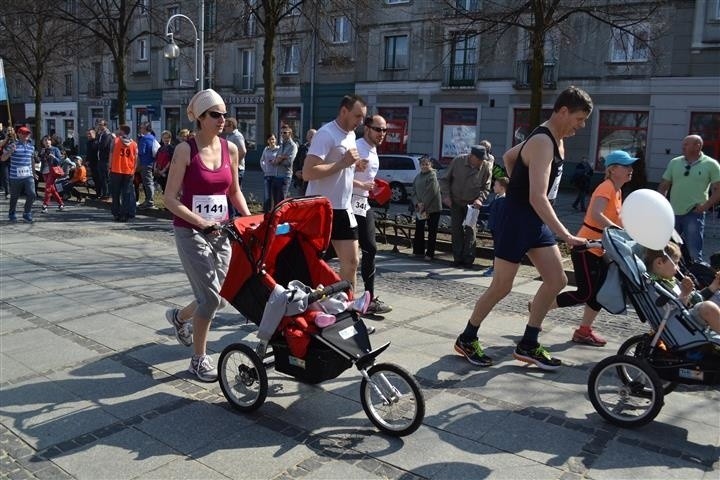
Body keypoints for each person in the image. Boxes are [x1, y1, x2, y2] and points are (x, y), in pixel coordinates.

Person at [453, 86, 593, 370]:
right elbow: (536, 195)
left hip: (535, 220)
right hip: (517, 218)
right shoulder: (543, 141)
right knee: (502, 286)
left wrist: (518, 181)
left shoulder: (553, 138)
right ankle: (467, 338)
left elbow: (509, 156)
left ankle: (528, 343)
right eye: (579, 118)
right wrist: (565, 234)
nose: (581, 126)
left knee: (557, 280)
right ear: (563, 111)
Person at [163, 88, 251, 382]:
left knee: (220, 297)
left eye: (225, 114)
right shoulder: (185, 150)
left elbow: (233, 191)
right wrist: (200, 222)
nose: (222, 119)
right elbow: (170, 199)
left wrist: (251, 220)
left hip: (222, 231)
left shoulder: (231, 149)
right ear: (200, 118)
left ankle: (179, 318)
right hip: (191, 232)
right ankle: (198, 360)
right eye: (215, 114)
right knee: (211, 300)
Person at [549, 150, 638, 347]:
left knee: (598, 294)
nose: (631, 169)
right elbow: (597, 214)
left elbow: (617, 219)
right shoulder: (606, 187)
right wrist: (615, 229)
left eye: (631, 166)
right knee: (584, 293)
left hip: (602, 248)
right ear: (613, 169)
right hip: (586, 247)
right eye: (627, 166)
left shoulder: (617, 190)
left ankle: (583, 331)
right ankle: (541, 307)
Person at [302, 94, 368, 291]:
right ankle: (305, 304)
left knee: (352, 261)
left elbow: (342, 165)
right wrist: (342, 163)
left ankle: (349, 308)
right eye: (357, 116)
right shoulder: (326, 134)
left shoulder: (351, 135)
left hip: (343, 207)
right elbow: (307, 173)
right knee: (311, 262)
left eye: (363, 117)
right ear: (344, 111)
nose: (361, 122)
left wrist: (355, 165)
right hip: (320, 208)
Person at [657, 135, 720, 264]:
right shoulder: (674, 162)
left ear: (698, 146)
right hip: (672, 212)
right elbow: (664, 185)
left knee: (694, 251)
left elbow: (718, 189)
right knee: (666, 248)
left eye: (686, 144)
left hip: (694, 213)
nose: (683, 146)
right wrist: (661, 205)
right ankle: (666, 273)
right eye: (683, 144)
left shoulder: (711, 164)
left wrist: (705, 206)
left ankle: (695, 277)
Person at [353, 115, 393, 315]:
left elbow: (365, 176)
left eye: (385, 130)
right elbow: (337, 175)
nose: (382, 134)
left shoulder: (373, 149)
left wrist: (374, 187)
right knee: (335, 252)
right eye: (378, 129)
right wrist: (361, 184)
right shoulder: (355, 146)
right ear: (367, 128)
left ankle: (368, 298)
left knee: (370, 247)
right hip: (348, 202)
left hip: (362, 202)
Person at [646, 242, 720, 334]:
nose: (678, 268)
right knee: (708, 307)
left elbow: (694, 299)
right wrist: (685, 293)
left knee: (717, 296)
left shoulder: (670, 280)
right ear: (659, 263)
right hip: (681, 323)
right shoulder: (655, 285)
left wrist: (715, 285)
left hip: (689, 315)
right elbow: (673, 312)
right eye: (675, 263)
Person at [439, 145, 493, 268]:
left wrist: (480, 199)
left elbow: (486, 187)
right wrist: (446, 196)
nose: (481, 161)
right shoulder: (458, 161)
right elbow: (444, 180)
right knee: (456, 229)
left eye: (483, 159)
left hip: (472, 204)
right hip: (456, 201)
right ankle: (457, 258)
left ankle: (468, 259)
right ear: (472, 156)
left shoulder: (485, 166)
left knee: (471, 230)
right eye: (479, 159)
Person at [1, 126, 37, 222]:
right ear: (19, 134)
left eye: (27, 133)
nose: (26, 135)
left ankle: (27, 212)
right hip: (15, 176)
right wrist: (10, 151)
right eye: (24, 133)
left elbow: (32, 160)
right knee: (14, 196)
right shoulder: (13, 145)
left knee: (32, 194)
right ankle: (12, 213)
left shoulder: (31, 147)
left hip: (28, 175)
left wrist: (33, 172)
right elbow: (3, 158)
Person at [412, 156, 442, 261]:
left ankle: (430, 253)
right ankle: (418, 251)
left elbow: (431, 192)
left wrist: (423, 204)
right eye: (422, 164)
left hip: (432, 208)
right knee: (419, 229)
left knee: (432, 231)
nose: (424, 166)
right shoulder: (418, 176)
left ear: (431, 165)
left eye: (426, 164)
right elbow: (414, 191)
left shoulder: (432, 175)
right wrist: (417, 203)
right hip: (421, 208)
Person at [108, 125, 138, 222]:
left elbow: (111, 155)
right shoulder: (134, 143)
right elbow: (136, 159)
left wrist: (109, 167)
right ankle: (125, 214)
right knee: (126, 194)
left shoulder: (115, 141)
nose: (117, 131)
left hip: (116, 169)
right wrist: (133, 170)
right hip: (128, 171)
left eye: (118, 129)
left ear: (121, 131)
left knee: (115, 193)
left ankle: (116, 213)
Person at [481, 176, 509, 277]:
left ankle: (496, 269)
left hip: (499, 228)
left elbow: (499, 214)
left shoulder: (502, 200)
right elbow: (489, 208)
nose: (493, 187)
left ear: (502, 188)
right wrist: (479, 207)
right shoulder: (497, 198)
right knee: (496, 247)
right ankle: (495, 267)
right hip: (495, 227)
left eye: (496, 185)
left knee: (498, 248)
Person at [38, 136, 65, 213]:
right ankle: (61, 203)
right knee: (52, 189)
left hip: (52, 171)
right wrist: (40, 155)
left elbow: (60, 161)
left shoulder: (55, 149)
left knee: (48, 188)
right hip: (44, 171)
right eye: (45, 140)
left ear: (51, 141)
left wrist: (53, 157)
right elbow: (39, 160)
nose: (47, 142)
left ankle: (45, 205)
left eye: (48, 140)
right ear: (43, 142)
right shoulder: (43, 150)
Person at [272, 125, 297, 205]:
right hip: (276, 176)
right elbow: (275, 160)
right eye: (281, 133)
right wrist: (282, 158)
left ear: (290, 133)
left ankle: (282, 217)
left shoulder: (293, 146)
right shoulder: (281, 145)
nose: (282, 134)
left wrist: (280, 159)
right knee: (276, 201)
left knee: (281, 201)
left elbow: (289, 162)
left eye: (285, 133)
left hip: (285, 177)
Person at [221, 117, 247, 187]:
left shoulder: (237, 136)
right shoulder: (228, 136)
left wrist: (235, 163)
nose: (224, 128)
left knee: (235, 190)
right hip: (230, 167)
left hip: (237, 169)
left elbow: (243, 151)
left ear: (231, 126)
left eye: (226, 126)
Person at [137, 122, 157, 209]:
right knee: (148, 182)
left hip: (145, 163)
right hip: (151, 163)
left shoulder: (144, 139)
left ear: (145, 129)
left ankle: (150, 202)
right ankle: (148, 200)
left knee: (147, 182)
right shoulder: (152, 137)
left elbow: (141, 152)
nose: (140, 129)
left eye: (141, 128)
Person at [260, 133, 280, 213]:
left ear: (276, 140)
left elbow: (280, 160)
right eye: (270, 139)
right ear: (267, 141)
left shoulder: (279, 149)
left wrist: (275, 162)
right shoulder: (266, 149)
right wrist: (265, 169)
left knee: (276, 195)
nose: (272, 141)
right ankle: (266, 211)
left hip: (276, 175)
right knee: (267, 195)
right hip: (267, 175)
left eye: (273, 139)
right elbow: (262, 160)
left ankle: (275, 211)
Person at [293, 128, 316, 196]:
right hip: (302, 180)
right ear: (307, 137)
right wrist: (296, 172)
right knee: (302, 199)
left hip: (315, 180)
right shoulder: (303, 148)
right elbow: (295, 162)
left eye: (314, 136)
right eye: (310, 137)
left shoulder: (320, 148)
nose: (312, 138)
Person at [95, 120, 114, 201]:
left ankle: (107, 194)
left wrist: (97, 144)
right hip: (100, 159)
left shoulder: (107, 135)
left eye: (100, 124)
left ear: (105, 125)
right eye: (98, 124)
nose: (99, 126)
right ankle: (104, 193)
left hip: (105, 159)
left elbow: (103, 146)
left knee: (106, 177)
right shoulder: (101, 134)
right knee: (102, 177)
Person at [85, 129, 99, 197]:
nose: (88, 135)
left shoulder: (97, 142)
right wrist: (87, 160)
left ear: (94, 134)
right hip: (91, 163)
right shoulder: (88, 142)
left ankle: (100, 193)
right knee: (94, 178)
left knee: (98, 178)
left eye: (90, 134)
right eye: (88, 134)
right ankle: (97, 193)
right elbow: (88, 153)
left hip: (97, 163)